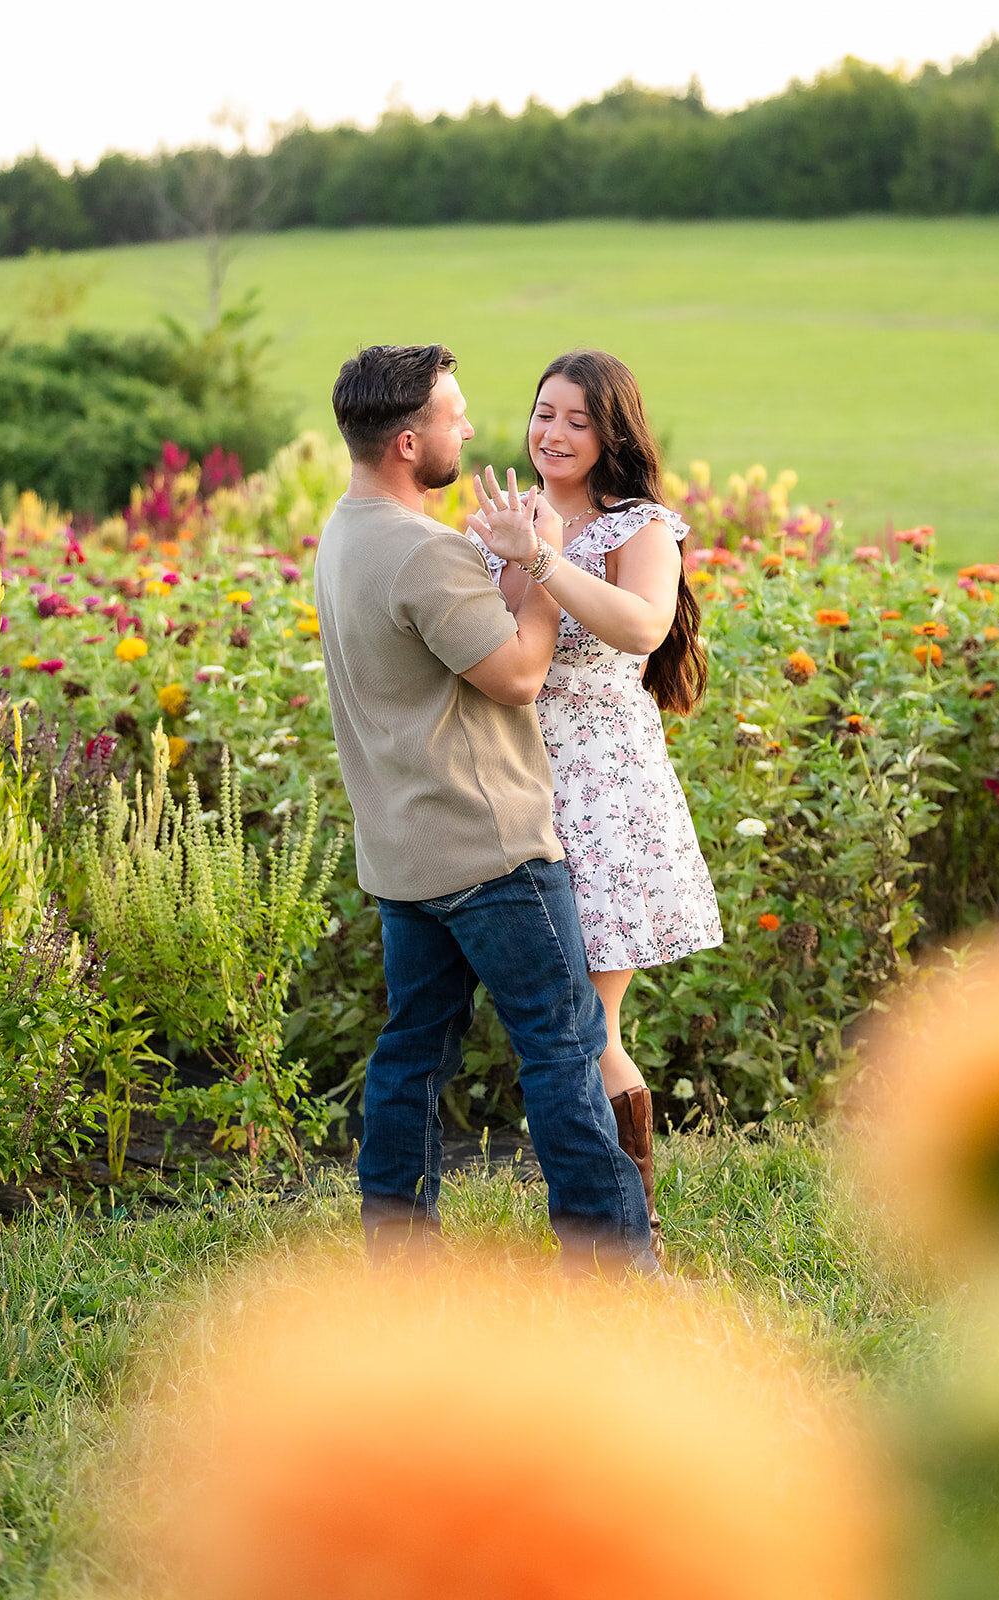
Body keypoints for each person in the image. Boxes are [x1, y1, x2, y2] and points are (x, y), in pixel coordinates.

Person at [313, 343, 658, 1276]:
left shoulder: (343, 532)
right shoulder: (423, 552)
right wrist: (537, 561)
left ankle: (400, 1260)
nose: (471, 427)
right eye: (454, 414)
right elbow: (515, 674)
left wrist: (513, 570)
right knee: (561, 1051)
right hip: (490, 849)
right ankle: (614, 1267)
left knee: (412, 1056)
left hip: (403, 855)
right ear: (408, 440)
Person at [467, 349, 723, 1263]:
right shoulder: (503, 520)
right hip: (512, 786)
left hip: (605, 792)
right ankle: (617, 1226)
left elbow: (640, 625)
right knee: (557, 1019)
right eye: (544, 413)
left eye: (578, 419)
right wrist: (506, 548)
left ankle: (629, 1230)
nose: (555, 434)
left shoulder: (636, 525)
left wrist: (538, 556)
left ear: (613, 430)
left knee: (585, 1024)